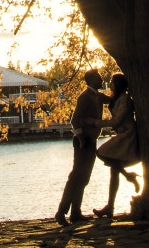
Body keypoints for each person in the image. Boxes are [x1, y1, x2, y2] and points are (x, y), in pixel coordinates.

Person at [54, 67, 106, 226]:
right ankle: (61, 212)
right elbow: (75, 120)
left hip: (91, 140)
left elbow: (111, 99)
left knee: (84, 178)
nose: (102, 79)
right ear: (91, 80)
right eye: (99, 77)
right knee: (76, 177)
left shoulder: (97, 96)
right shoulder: (85, 97)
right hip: (84, 141)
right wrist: (80, 136)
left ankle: (76, 213)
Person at [93, 72, 141, 218]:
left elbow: (117, 121)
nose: (110, 83)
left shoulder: (125, 100)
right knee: (113, 169)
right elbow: (108, 100)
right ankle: (110, 206)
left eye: (113, 81)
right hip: (122, 135)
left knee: (101, 152)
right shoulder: (117, 98)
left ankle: (127, 179)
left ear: (118, 84)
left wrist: (95, 122)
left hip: (127, 135)